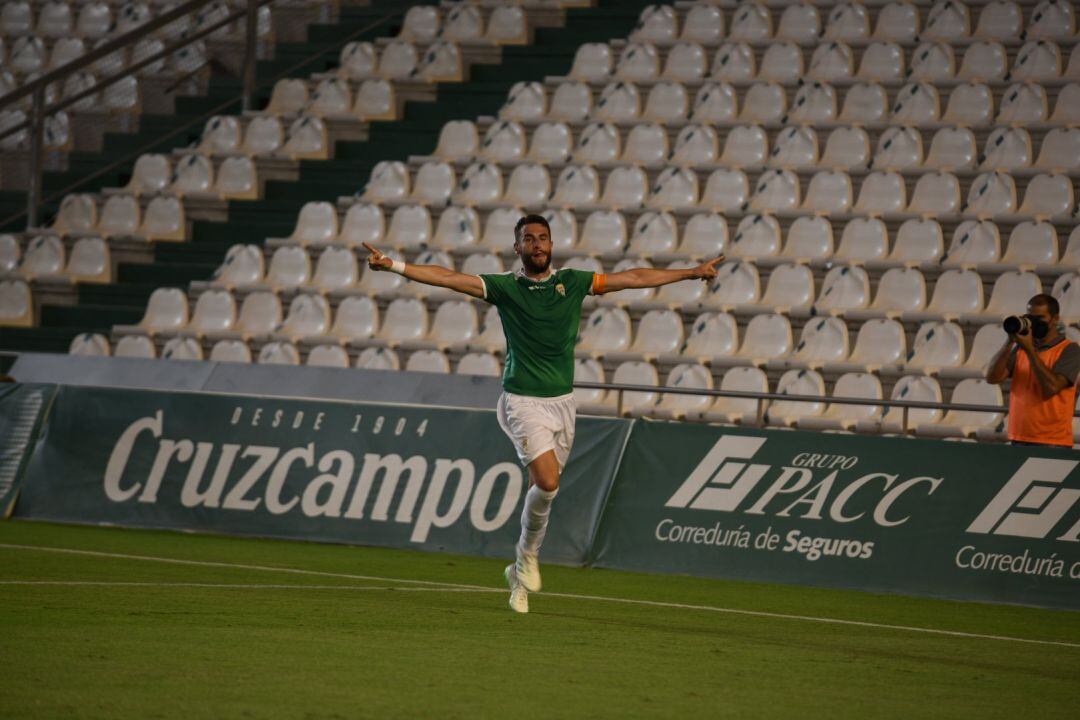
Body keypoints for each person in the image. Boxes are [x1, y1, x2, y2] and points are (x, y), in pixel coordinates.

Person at [364, 213, 723, 613]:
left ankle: (520, 565)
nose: (537, 244)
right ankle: (527, 559)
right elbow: (450, 278)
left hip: (563, 404)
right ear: (517, 247)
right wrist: (394, 265)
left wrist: (691, 273)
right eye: (529, 239)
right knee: (548, 481)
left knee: (546, 494)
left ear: (552, 245)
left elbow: (633, 279)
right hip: (521, 400)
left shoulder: (572, 283)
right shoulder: (504, 287)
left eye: (543, 238)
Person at [986, 294, 1080, 447]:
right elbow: (992, 378)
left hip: (1052, 442)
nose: (1034, 323)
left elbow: (1052, 387)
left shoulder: (1070, 350)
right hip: (1018, 437)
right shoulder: (1021, 348)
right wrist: (1009, 341)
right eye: (1030, 317)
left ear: (1055, 319)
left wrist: (1030, 350)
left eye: (1040, 318)